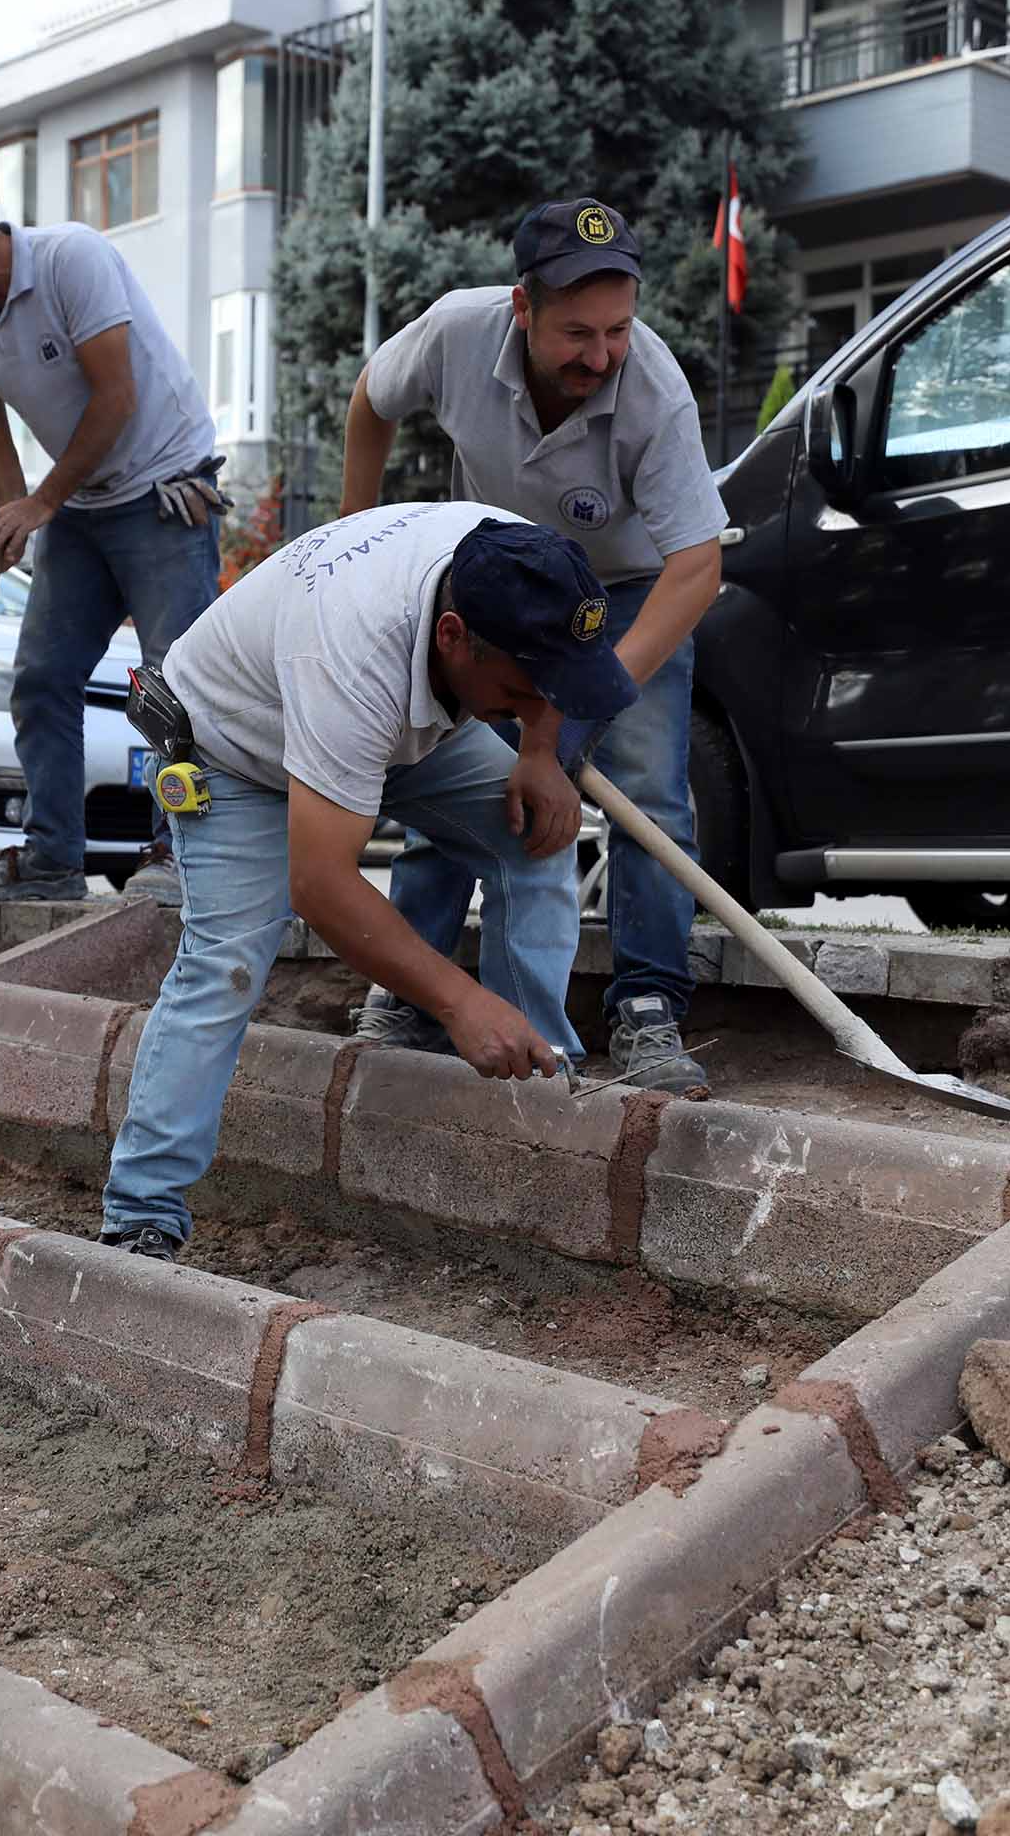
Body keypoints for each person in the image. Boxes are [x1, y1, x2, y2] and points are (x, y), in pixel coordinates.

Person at [96, 503, 638, 1259]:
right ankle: (142, 1213)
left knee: (536, 838)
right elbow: (321, 886)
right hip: (241, 746)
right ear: (454, 637)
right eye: (523, 691)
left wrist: (540, 753)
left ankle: (539, 1091)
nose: (537, 707)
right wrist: (459, 1001)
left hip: (384, 733)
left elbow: (552, 678)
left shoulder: (519, 562)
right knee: (226, 962)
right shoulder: (350, 653)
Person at [337, 198, 728, 1092]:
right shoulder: (454, 333)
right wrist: (353, 540)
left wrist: (577, 708)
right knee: (455, 773)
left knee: (651, 797)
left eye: (619, 330)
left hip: (628, 590)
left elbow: (697, 568)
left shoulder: (654, 391)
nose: (600, 356)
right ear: (522, 308)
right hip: (500, 586)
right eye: (577, 334)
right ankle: (405, 992)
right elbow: (370, 400)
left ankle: (648, 1009)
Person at [0, 176, 225, 907]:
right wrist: (7, 522)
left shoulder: (69, 260)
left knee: (170, 686)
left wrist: (42, 502)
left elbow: (118, 397)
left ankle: (182, 855)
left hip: (162, 488)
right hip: (82, 506)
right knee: (42, 679)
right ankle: (54, 858)